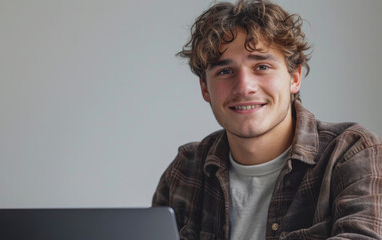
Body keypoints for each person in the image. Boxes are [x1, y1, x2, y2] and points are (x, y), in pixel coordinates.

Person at [152, 0, 382, 239]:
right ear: (205, 88)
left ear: (294, 78)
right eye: (225, 71)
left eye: (261, 66)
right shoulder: (186, 169)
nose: (244, 87)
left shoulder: (351, 153)